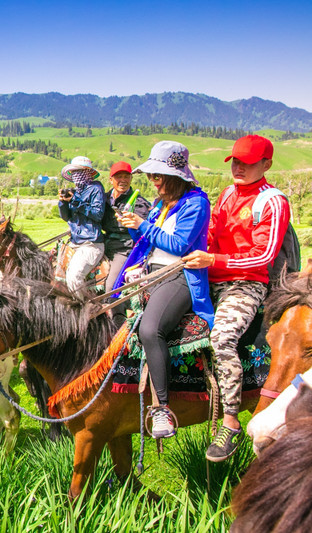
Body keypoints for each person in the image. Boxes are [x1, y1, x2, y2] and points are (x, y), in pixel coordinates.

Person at [183, 135, 291, 462]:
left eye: (249, 162)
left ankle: (230, 421)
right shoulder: (229, 192)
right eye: (236, 161)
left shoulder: (272, 201)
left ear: (266, 164)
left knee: (222, 337)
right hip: (210, 276)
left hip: (246, 284)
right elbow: (213, 232)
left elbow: (264, 256)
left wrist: (213, 261)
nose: (240, 167)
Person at [115, 141, 214, 439]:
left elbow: (179, 245)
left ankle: (162, 410)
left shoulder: (196, 203)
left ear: (175, 176)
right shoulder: (162, 203)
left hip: (181, 275)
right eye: (151, 176)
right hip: (153, 272)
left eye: (158, 176)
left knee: (150, 330)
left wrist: (143, 225)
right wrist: (134, 226)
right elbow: (150, 242)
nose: (153, 182)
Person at [101, 161, 151, 328]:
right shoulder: (104, 199)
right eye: (118, 177)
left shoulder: (138, 203)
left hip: (124, 247)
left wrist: (128, 221)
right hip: (104, 243)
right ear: (111, 179)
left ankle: (117, 324)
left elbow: (141, 229)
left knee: (111, 287)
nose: (123, 180)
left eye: (126, 176)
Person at [58, 156, 106, 292]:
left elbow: (97, 214)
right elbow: (66, 217)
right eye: (73, 172)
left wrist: (76, 201)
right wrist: (63, 202)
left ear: (87, 172)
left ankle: (81, 307)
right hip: (75, 242)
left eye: (78, 172)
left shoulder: (96, 189)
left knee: (74, 276)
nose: (75, 175)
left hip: (91, 243)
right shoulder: (75, 191)